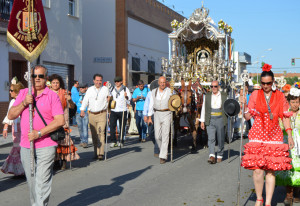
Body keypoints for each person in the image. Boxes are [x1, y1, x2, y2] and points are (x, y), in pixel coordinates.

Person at [7, 65, 65, 206]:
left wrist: (39, 133)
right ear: (30, 77)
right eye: (34, 76)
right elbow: (10, 115)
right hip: (26, 145)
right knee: (32, 182)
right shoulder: (24, 93)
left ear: (46, 78)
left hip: (46, 144)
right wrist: (24, 103)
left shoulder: (52, 95)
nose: (37, 79)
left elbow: (60, 120)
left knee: (42, 182)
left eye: (40, 76)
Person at [242, 64, 294, 206]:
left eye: (269, 83)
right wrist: (244, 106)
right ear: (261, 83)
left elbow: (285, 117)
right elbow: (247, 117)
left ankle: (268, 202)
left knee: (271, 171)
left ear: (273, 82)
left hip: (274, 134)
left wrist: (289, 135)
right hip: (258, 133)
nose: (266, 86)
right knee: (258, 169)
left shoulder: (280, 96)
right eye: (263, 83)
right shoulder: (254, 95)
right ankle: (259, 198)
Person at [48, 74, 79, 170]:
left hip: (63, 120)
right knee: (54, 142)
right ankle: (56, 161)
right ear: (51, 84)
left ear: (60, 83)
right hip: (51, 120)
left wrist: (69, 100)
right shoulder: (48, 93)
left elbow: (72, 107)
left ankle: (64, 161)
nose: (55, 84)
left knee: (64, 141)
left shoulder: (65, 93)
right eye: (53, 83)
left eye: (57, 82)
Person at [276, 87, 300, 205]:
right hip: (287, 142)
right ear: (289, 102)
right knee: (288, 168)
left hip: (299, 144)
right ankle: (289, 195)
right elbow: (281, 126)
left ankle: (297, 193)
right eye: (293, 102)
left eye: (297, 102)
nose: (295, 104)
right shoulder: (285, 113)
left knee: (298, 169)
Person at [80, 74, 110, 161]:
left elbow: (110, 99)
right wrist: (82, 110)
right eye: (97, 80)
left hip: (102, 114)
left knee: (101, 132)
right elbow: (85, 100)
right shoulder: (89, 90)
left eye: (100, 80)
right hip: (92, 114)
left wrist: (109, 99)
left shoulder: (105, 89)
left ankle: (101, 153)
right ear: (93, 81)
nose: (98, 82)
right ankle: (95, 152)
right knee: (94, 134)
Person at [200, 80, 228, 164]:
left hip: (220, 118)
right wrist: (202, 121)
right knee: (211, 138)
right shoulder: (207, 96)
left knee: (220, 138)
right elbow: (204, 108)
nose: (213, 88)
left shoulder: (224, 95)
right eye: (211, 86)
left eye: (215, 86)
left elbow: (229, 105)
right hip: (210, 118)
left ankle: (219, 154)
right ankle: (211, 155)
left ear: (218, 87)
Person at [1, 78, 25, 176]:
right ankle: (18, 171)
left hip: (24, 127)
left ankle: (22, 170)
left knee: (23, 149)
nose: (10, 92)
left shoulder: (24, 100)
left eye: (11, 90)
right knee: (16, 148)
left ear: (16, 91)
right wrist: (5, 127)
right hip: (16, 128)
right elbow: (8, 115)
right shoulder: (12, 102)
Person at [148, 76, 173, 164]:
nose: (162, 84)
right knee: (157, 136)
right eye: (161, 82)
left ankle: (163, 156)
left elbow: (174, 102)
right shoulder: (153, 92)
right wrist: (149, 116)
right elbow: (151, 104)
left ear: (166, 83)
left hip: (166, 113)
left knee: (165, 135)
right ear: (158, 83)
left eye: (164, 82)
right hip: (157, 113)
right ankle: (163, 150)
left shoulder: (170, 91)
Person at [109, 76, 131, 147]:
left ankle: (121, 140)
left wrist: (126, 96)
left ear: (121, 82)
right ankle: (113, 141)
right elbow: (109, 97)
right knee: (112, 126)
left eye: (118, 81)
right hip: (114, 110)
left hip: (122, 110)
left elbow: (129, 99)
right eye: (115, 81)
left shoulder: (125, 89)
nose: (117, 83)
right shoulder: (112, 88)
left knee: (122, 126)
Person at [144, 80, 159, 157]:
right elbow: (147, 105)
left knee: (158, 133)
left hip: (159, 114)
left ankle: (157, 149)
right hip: (151, 115)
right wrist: (145, 115)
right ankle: (157, 144)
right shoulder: (149, 94)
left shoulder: (162, 93)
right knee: (150, 133)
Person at [73, 83, 89, 148]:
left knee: (85, 127)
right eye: (80, 88)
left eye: (82, 88)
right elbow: (74, 102)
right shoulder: (76, 94)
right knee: (80, 127)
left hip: (85, 112)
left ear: (85, 88)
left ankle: (85, 141)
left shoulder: (88, 95)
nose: (81, 89)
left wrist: (85, 103)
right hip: (78, 112)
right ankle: (82, 140)